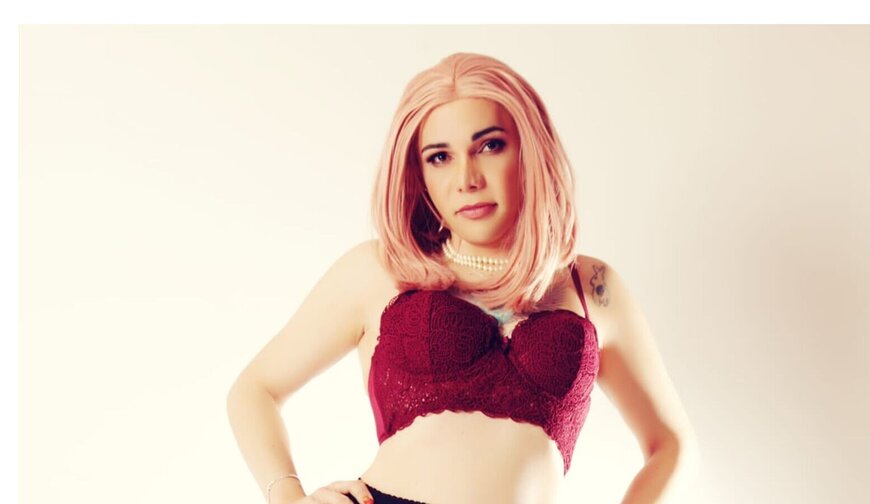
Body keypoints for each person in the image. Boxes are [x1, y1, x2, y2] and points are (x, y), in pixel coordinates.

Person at [227, 52, 699, 504]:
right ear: (418, 174)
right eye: (440, 157)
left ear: (529, 151)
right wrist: (287, 496)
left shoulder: (592, 286)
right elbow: (254, 390)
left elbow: (671, 445)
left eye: (490, 146)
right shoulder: (379, 270)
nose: (467, 178)